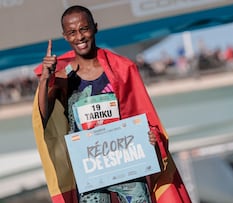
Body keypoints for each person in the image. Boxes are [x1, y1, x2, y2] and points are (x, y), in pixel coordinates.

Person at [32, 5, 191, 203]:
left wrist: (151, 135)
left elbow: (141, 112)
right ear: (65, 36)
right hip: (90, 170)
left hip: (128, 164)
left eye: (84, 29)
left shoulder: (122, 68)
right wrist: (46, 79)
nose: (79, 37)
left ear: (95, 27)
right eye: (72, 32)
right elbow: (43, 116)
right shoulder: (63, 78)